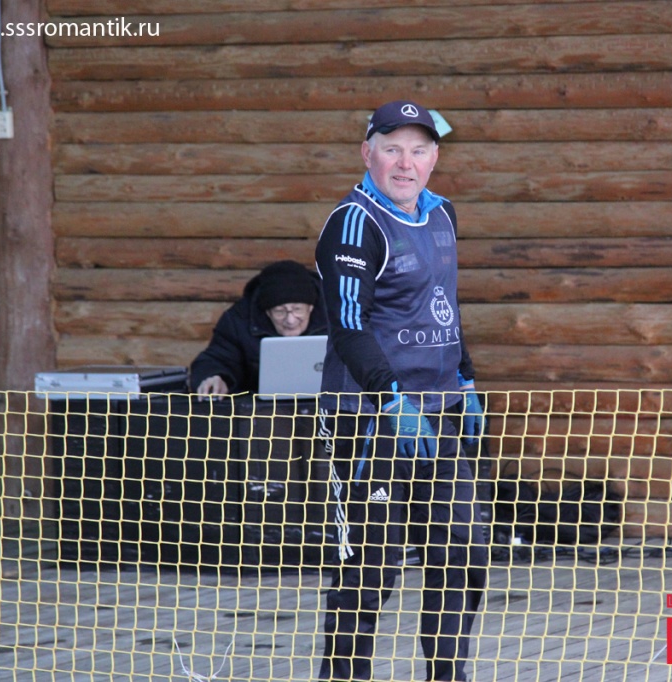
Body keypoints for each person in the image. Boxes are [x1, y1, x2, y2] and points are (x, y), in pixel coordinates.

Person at [314, 100, 489, 682]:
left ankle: (448, 675)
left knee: (462, 553)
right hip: (370, 418)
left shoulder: (443, 215)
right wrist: (390, 397)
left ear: (434, 158)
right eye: (392, 149)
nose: (405, 163)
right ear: (368, 153)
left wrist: (466, 377)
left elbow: (444, 305)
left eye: (418, 150)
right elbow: (348, 324)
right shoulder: (354, 222)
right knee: (370, 567)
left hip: (440, 410)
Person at [189, 259, 328, 397]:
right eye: (280, 312)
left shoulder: (336, 314)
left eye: (298, 310)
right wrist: (216, 376)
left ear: (311, 308)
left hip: (329, 404)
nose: (290, 320)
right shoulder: (239, 320)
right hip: (257, 407)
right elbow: (216, 358)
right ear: (267, 312)